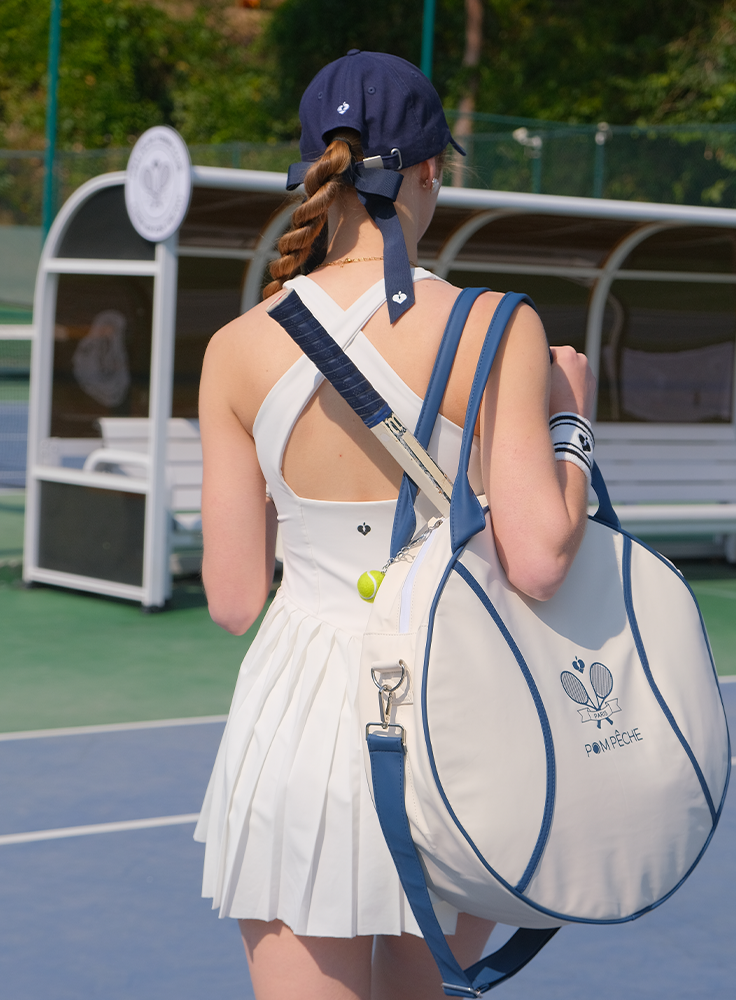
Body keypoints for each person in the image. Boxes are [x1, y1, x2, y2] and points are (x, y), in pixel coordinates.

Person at [195, 49, 595, 1000]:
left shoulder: (236, 348)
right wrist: (570, 419)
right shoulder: (501, 324)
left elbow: (235, 599)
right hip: (455, 708)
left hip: (297, 715)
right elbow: (539, 560)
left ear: (317, 170)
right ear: (427, 171)